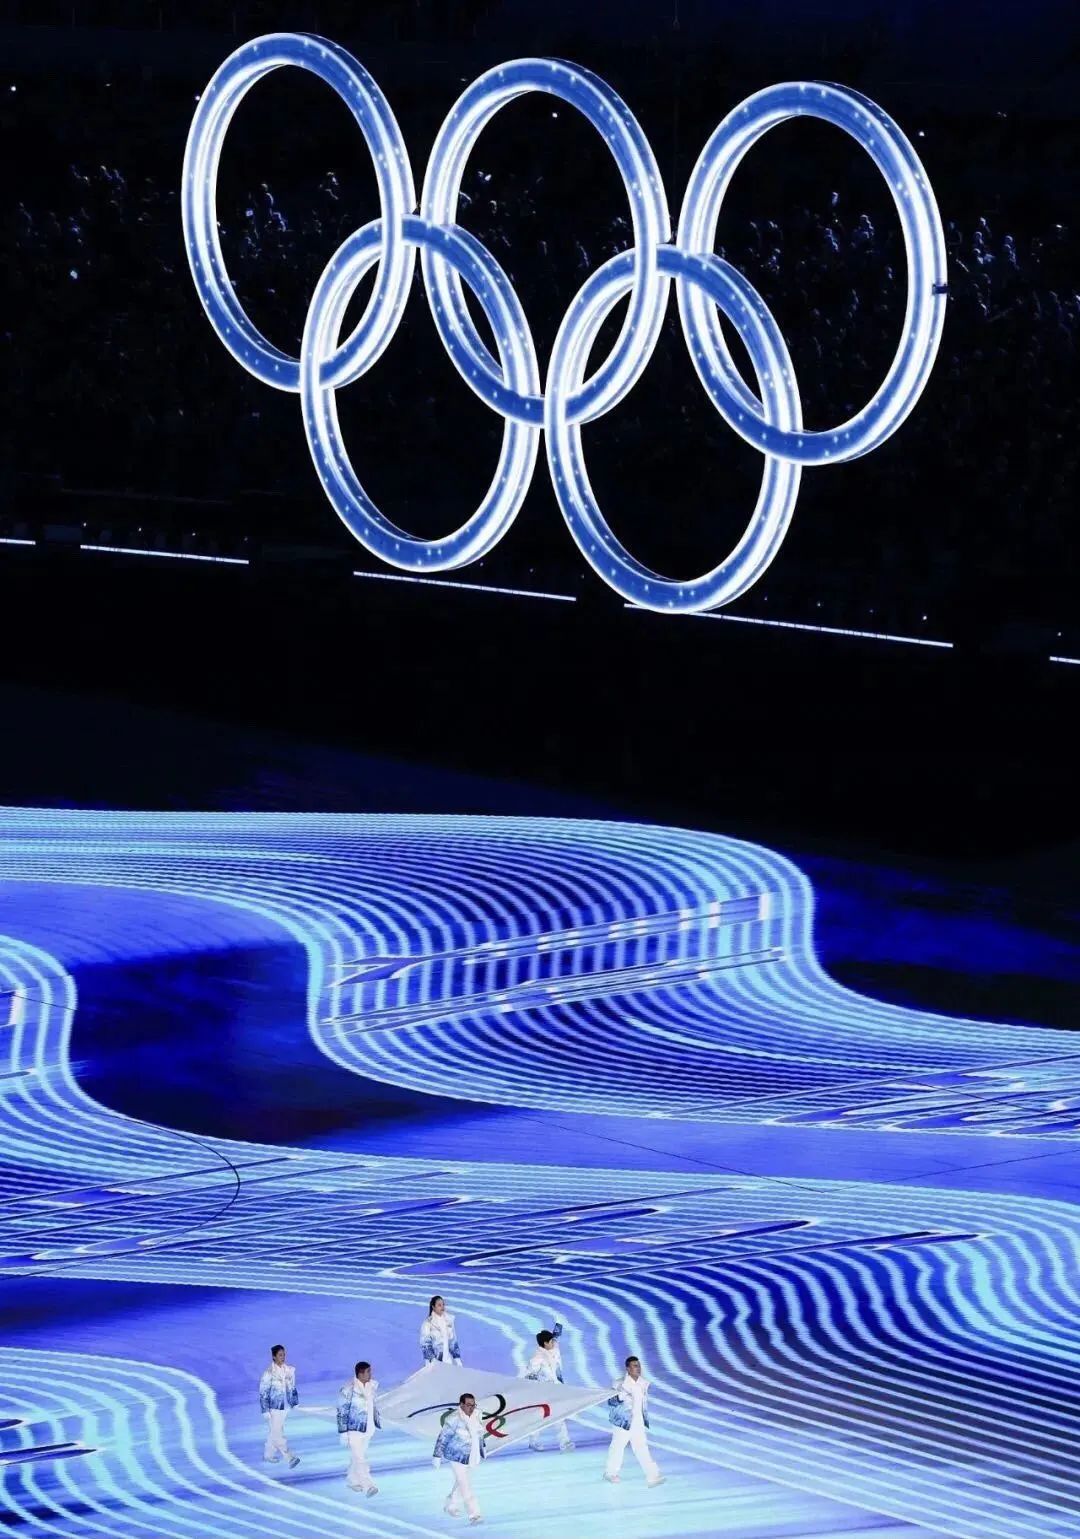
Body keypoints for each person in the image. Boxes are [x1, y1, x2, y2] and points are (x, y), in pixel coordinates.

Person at [604, 1355, 663, 1487]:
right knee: (618, 1447)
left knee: (642, 1448)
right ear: (628, 1369)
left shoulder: (643, 1383)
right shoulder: (619, 1384)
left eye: (639, 1365)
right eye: (635, 1366)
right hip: (623, 1423)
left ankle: (653, 1475)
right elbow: (611, 1402)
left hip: (638, 1422)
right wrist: (622, 1393)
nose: (638, 1368)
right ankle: (610, 1473)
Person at [433, 1391, 485, 1524]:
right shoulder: (454, 1418)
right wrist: (437, 1455)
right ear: (461, 1405)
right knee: (465, 1485)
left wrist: (482, 1448)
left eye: (473, 1405)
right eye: (468, 1405)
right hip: (456, 1456)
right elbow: (443, 1437)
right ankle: (475, 1514)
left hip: (472, 1454)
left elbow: (479, 1434)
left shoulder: (477, 1415)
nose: (471, 1408)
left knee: (461, 1482)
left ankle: (450, 1504)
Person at [523, 1323, 573, 1452]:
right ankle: (534, 1441)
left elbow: (555, 1338)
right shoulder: (537, 1358)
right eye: (551, 1341)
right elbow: (528, 1375)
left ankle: (565, 1442)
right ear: (545, 1343)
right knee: (541, 1417)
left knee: (559, 1416)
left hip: (556, 1390)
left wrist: (557, 1330)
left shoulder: (553, 1348)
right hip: (543, 1392)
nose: (553, 1343)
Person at [336, 1359, 380, 1496]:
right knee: (360, 1459)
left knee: (357, 1457)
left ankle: (352, 1480)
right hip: (353, 1431)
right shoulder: (348, 1390)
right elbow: (342, 1412)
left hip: (368, 1429)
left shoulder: (372, 1386)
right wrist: (343, 1433)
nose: (370, 1374)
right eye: (368, 1372)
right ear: (360, 1374)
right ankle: (368, 1485)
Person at [258, 1344, 300, 1469]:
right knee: (278, 1433)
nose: (283, 1357)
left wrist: (294, 1403)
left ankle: (268, 1455)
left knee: (274, 1431)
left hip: (285, 1406)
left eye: (284, 1355)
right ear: (274, 1357)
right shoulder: (268, 1373)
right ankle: (290, 1457)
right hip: (274, 1408)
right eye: (280, 1355)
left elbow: (292, 1388)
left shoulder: (289, 1371)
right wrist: (265, 1410)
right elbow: (263, 1393)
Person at [420, 1294, 462, 1367]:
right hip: (434, 1362)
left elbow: (453, 1342)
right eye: (439, 1305)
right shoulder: (428, 1324)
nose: (442, 1307)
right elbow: (425, 1344)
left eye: (443, 1305)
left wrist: (458, 1360)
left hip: (448, 1361)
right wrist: (432, 1360)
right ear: (433, 1307)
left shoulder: (449, 1321)